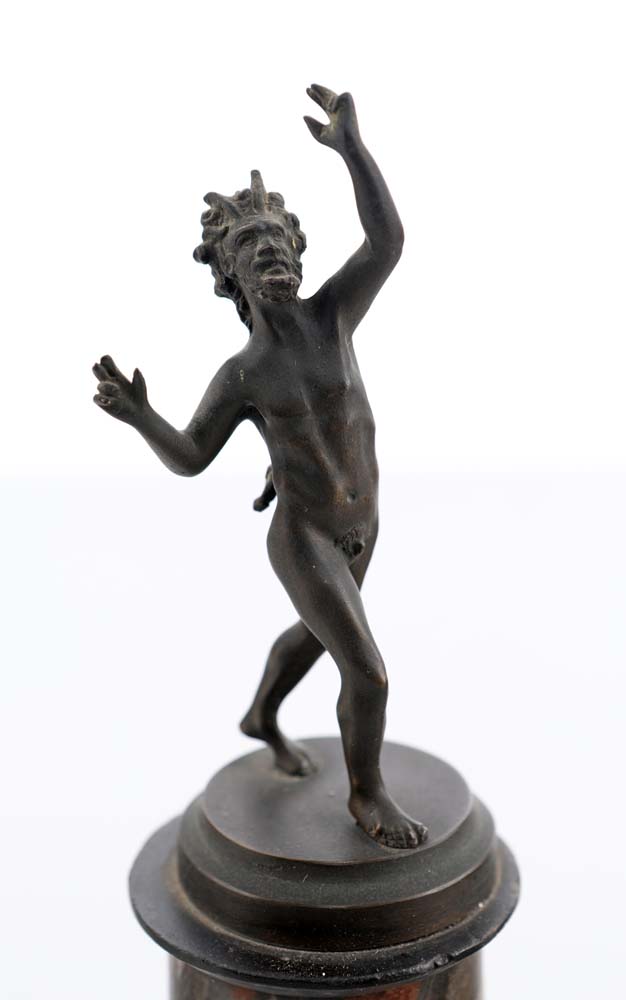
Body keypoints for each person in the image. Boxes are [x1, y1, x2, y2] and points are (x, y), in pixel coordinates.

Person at [93, 84, 426, 849]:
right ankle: (367, 795)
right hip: (305, 537)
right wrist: (144, 418)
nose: (269, 249)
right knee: (368, 673)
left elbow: (387, 243)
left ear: (299, 254)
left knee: (314, 637)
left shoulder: (334, 316)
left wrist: (352, 151)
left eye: (279, 238)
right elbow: (191, 457)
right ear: (229, 275)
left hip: (364, 525)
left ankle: (260, 717)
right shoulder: (243, 374)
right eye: (250, 245)